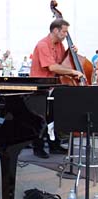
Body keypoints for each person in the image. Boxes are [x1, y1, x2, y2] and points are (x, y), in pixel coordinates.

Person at [30, 18, 84, 159]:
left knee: (54, 117)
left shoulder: (59, 45)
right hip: (40, 86)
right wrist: (73, 72)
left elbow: (61, 63)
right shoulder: (43, 45)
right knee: (41, 119)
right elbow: (53, 67)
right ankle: (38, 148)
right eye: (64, 31)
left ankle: (54, 145)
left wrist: (70, 52)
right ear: (55, 30)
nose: (66, 35)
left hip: (53, 85)